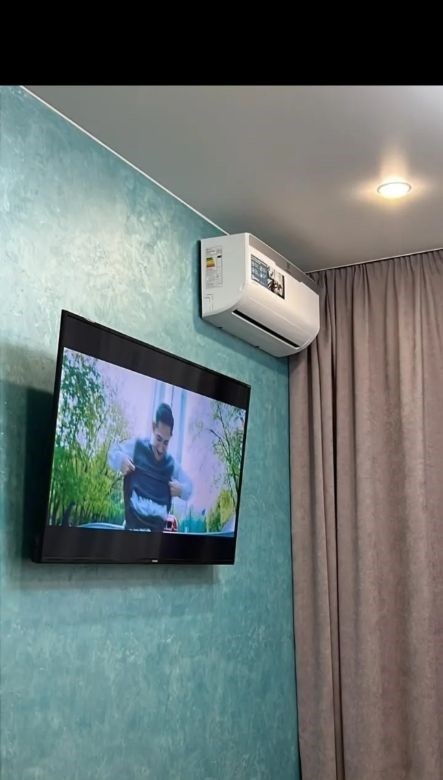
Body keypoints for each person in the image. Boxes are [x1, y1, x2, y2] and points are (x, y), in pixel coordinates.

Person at [108, 402, 192, 532]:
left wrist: (181, 490)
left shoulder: (171, 464)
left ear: (171, 437)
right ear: (154, 427)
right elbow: (113, 452)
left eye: (166, 442)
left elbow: (189, 487)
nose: (161, 448)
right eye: (159, 439)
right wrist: (121, 460)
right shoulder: (137, 448)